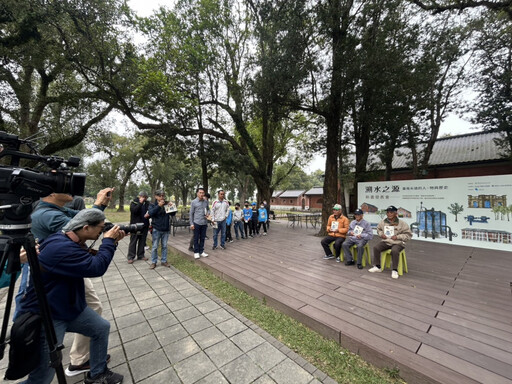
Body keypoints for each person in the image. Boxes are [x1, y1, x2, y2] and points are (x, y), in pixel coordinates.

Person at [17, 209, 125, 384]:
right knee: (42, 377)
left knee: (100, 328)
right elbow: (96, 268)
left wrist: (110, 242)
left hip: (68, 307)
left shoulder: (68, 240)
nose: (102, 231)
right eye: (100, 227)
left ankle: (97, 374)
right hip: (49, 315)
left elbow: (88, 259)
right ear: (86, 227)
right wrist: (108, 242)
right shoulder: (61, 247)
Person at [369, 205, 412, 279]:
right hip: (386, 241)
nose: (389, 214)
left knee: (394, 250)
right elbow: (379, 229)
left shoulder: (402, 223)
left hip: (398, 243)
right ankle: (377, 266)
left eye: (391, 212)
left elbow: (408, 235)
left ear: (396, 214)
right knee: (376, 248)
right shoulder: (383, 222)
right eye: (388, 212)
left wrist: (397, 237)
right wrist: (381, 234)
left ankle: (395, 270)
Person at [148, 190, 173, 269]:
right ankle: (153, 262)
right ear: (156, 196)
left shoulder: (166, 204)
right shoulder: (152, 204)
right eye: (160, 196)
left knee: (164, 246)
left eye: (163, 196)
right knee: (155, 246)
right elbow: (151, 213)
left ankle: (164, 261)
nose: (162, 197)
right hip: (157, 228)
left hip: (165, 228)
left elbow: (173, 214)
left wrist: (172, 206)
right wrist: (158, 206)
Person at [127, 191, 150, 264]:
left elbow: (151, 211)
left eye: (146, 197)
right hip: (135, 225)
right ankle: (131, 257)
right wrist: (140, 203)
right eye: (144, 197)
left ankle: (140, 255)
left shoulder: (147, 203)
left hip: (145, 225)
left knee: (142, 241)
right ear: (140, 196)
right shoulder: (134, 202)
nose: (145, 199)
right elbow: (134, 211)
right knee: (133, 241)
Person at [190, 187, 210, 259]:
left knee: (202, 238)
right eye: (200, 193)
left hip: (204, 223)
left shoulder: (206, 201)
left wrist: (208, 213)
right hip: (196, 222)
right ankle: (196, 252)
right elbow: (191, 213)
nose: (201, 194)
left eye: (203, 193)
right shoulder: (193, 202)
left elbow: (208, 209)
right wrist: (191, 223)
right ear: (197, 193)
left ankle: (201, 251)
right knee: (196, 237)